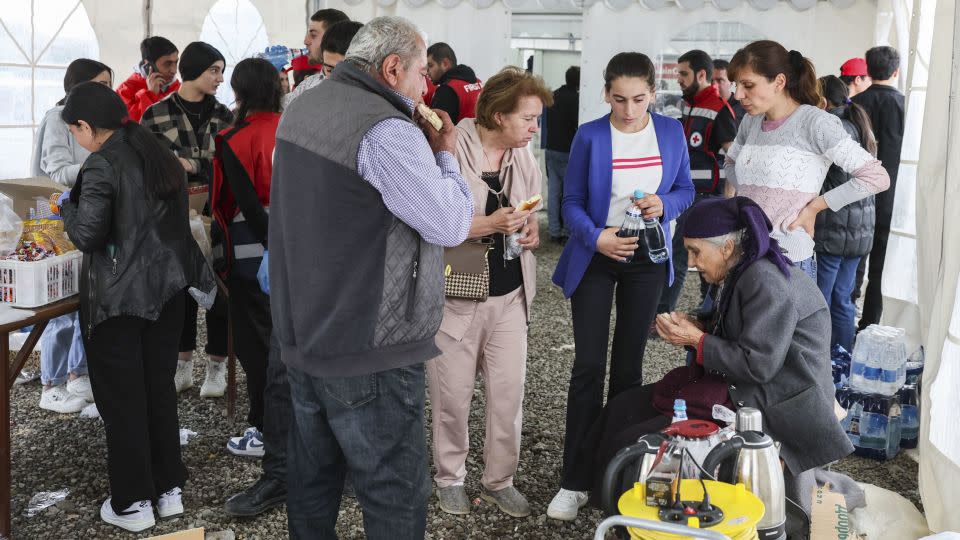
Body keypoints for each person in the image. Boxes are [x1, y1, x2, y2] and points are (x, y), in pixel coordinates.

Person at [270, 16, 474, 538]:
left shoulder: (302, 105)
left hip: (301, 328)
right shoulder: (387, 131)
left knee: (312, 483)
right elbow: (449, 223)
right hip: (370, 343)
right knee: (394, 493)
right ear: (391, 68)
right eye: (420, 75)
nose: (424, 88)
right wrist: (446, 156)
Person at [58, 81, 216, 533]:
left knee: (123, 401)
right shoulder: (154, 150)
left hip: (120, 301)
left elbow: (88, 234)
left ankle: (131, 503)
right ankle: (167, 491)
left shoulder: (103, 163)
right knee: (157, 392)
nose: (76, 139)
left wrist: (67, 208)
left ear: (87, 126)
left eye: (76, 131)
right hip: (166, 293)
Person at [548, 52, 695, 521]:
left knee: (629, 368)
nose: (628, 109)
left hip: (647, 259)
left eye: (637, 99)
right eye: (618, 99)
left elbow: (687, 190)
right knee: (588, 366)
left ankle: (614, 474)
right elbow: (569, 202)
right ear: (605, 93)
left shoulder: (670, 132)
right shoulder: (590, 134)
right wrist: (597, 237)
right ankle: (573, 480)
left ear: (653, 93)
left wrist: (664, 203)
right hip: (598, 255)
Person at [654, 197, 854, 537]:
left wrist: (697, 341)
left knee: (655, 422)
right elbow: (742, 326)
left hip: (785, 394)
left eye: (695, 252)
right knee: (649, 403)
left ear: (728, 246)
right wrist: (699, 324)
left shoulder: (763, 278)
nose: (691, 262)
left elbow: (757, 363)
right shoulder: (745, 269)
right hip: (773, 381)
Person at [428, 67, 550, 519]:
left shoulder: (523, 154)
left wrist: (530, 230)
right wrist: (491, 225)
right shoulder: (451, 145)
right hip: (458, 285)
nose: (535, 128)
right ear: (498, 116)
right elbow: (437, 221)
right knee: (451, 394)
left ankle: (500, 479)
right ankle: (450, 478)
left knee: (508, 393)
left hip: (511, 290)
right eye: (528, 119)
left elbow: (529, 208)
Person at [723, 40, 889, 279]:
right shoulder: (751, 121)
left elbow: (877, 177)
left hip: (787, 261)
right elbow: (730, 163)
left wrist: (816, 206)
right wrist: (751, 199)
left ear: (779, 82)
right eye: (736, 85)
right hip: (743, 253)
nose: (738, 95)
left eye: (748, 85)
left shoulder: (815, 123)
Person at [141, 41, 233, 399]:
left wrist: (195, 166)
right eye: (213, 70)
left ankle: (216, 366)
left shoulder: (226, 116)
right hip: (172, 218)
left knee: (217, 290)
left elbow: (231, 168)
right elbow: (145, 166)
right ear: (193, 70)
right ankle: (182, 365)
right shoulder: (155, 115)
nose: (219, 78)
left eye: (222, 71)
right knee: (177, 292)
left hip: (216, 216)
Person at [30, 58, 112, 413]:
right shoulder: (57, 119)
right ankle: (51, 382)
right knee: (59, 304)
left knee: (85, 297)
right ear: (77, 87)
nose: (108, 92)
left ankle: (78, 374)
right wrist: (105, 165)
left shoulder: (99, 122)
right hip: (53, 221)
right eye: (101, 85)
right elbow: (57, 170)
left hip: (85, 217)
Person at [211, 57, 281, 459]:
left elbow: (239, 204)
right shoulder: (296, 128)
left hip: (252, 246)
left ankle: (263, 426)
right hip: (302, 242)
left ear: (238, 92)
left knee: (257, 342)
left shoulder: (233, 138)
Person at [656, 50, 737, 316]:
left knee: (681, 253)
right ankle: (709, 311)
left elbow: (734, 157)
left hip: (706, 197)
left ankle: (662, 316)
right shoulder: (689, 103)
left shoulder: (718, 109)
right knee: (695, 254)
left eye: (683, 73)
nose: (677, 78)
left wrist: (728, 200)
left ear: (702, 75)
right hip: (685, 194)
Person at [815, 75, 878, 352]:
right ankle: (842, 358)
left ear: (823, 101)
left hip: (834, 229)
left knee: (822, 299)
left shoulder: (832, 129)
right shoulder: (859, 126)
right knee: (843, 298)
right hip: (860, 230)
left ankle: (821, 361)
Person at [851, 46, 904, 330]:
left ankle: (845, 314)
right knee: (880, 263)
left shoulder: (854, 104)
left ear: (867, 71)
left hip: (854, 196)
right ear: (896, 72)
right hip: (891, 197)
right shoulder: (905, 105)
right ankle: (870, 321)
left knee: (853, 259)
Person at [283, 8, 350, 107]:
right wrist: (269, 71)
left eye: (313, 35)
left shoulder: (353, 84)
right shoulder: (310, 83)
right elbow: (277, 106)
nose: (305, 41)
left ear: (333, 38)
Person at [544, 66, 579, 243]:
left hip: (551, 149)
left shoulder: (553, 95)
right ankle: (566, 232)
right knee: (568, 193)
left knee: (553, 191)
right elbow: (576, 125)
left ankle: (553, 231)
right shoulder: (575, 99)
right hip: (567, 151)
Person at [117, 36, 181, 122]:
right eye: (167, 64)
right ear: (148, 64)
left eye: (176, 62)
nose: (174, 70)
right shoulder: (125, 90)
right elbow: (126, 125)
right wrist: (150, 95)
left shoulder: (179, 87)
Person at [426, 42, 483, 123]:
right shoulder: (478, 82)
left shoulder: (446, 91)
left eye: (430, 65)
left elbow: (435, 130)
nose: (427, 72)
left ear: (445, 64)